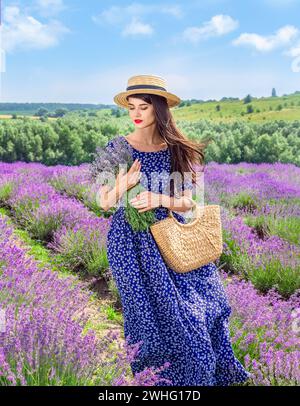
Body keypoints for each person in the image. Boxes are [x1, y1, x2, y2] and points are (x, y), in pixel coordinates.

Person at [99, 74, 252, 386]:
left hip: (169, 237)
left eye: (144, 106)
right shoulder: (118, 148)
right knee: (144, 317)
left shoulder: (174, 149)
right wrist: (122, 184)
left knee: (194, 312)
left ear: (160, 109)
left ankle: (197, 378)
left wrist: (158, 198)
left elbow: (188, 203)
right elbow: (103, 201)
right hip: (128, 243)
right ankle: (154, 381)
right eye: (131, 107)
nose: (136, 113)